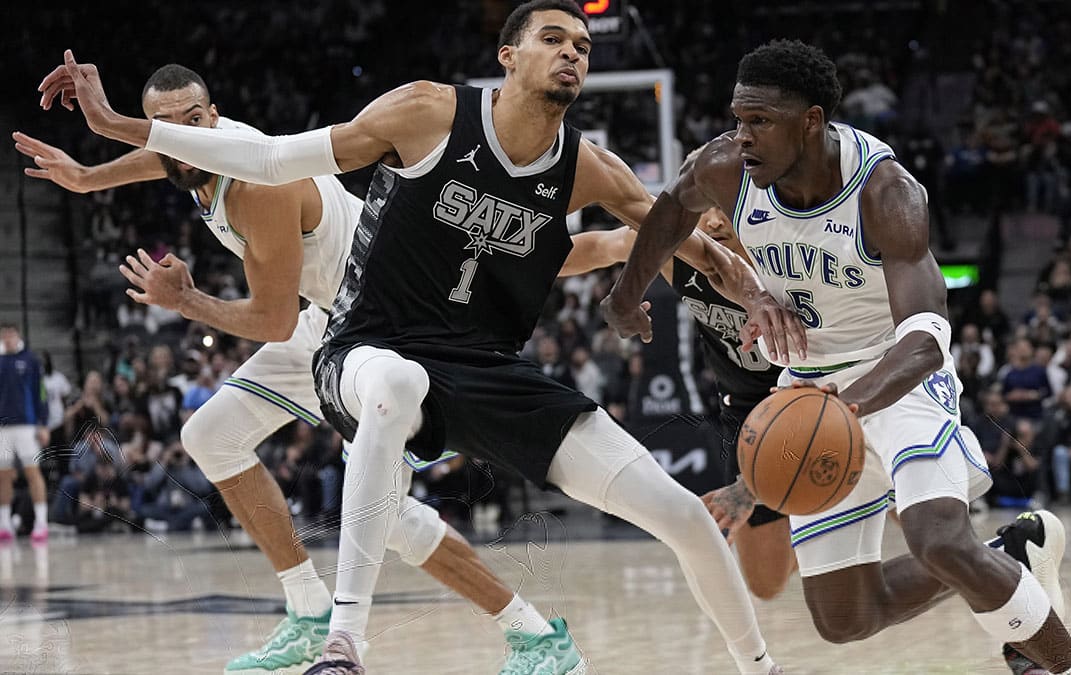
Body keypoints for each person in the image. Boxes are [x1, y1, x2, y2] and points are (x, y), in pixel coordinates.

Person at [38, 3, 801, 671]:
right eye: (553, 37)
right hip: (365, 338)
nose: (573, 50)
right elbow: (227, 155)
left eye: (583, 43)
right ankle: (343, 638)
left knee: (676, 514)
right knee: (359, 420)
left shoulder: (582, 168)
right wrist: (96, 153)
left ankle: (725, 661)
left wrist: (753, 288)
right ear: (508, 56)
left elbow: (674, 240)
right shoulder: (422, 113)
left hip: (428, 347)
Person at [21, 61, 624, 675]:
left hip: (381, 330)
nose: (178, 136)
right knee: (209, 435)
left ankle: (535, 634)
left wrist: (188, 302)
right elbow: (168, 156)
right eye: (165, 126)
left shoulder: (257, 188)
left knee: (390, 522)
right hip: (326, 320)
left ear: (213, 117)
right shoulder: (190, 151)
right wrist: (87, 177)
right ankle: (309, 610)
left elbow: (270, 321)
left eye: (190, 122)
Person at [602, 39, 1071, 675]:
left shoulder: (887, 193)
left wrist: (849, 406)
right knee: (845, 619)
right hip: (808, 385)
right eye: (737, 119)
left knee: (937, 538)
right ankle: (1012, 554)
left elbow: (926, 340)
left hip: (896, 373)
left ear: (811, 121)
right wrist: (626, 294)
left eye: (760, 122)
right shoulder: (726, 167)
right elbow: (672, 207)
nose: (742, 136)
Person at [561, 207, 795, 599]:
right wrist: (514, 258)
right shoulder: (679, 250)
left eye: (725, 205)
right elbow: (602, 245)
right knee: (765, 584)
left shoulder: (784, 254)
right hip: (745, 412)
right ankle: (823, 520)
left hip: (804, 395)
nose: (715, 221)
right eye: (705, 207)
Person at [0, 323, 50, 543]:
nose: (8, 339)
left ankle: (41, 523)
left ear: (17, 336)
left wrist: (44, 423)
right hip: (3, 428)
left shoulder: (30, 360)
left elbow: (41, 392)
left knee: (32, 473)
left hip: (27, 426)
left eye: (11, 334)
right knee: (3, 475)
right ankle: (5, 525)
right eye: (4, 336)